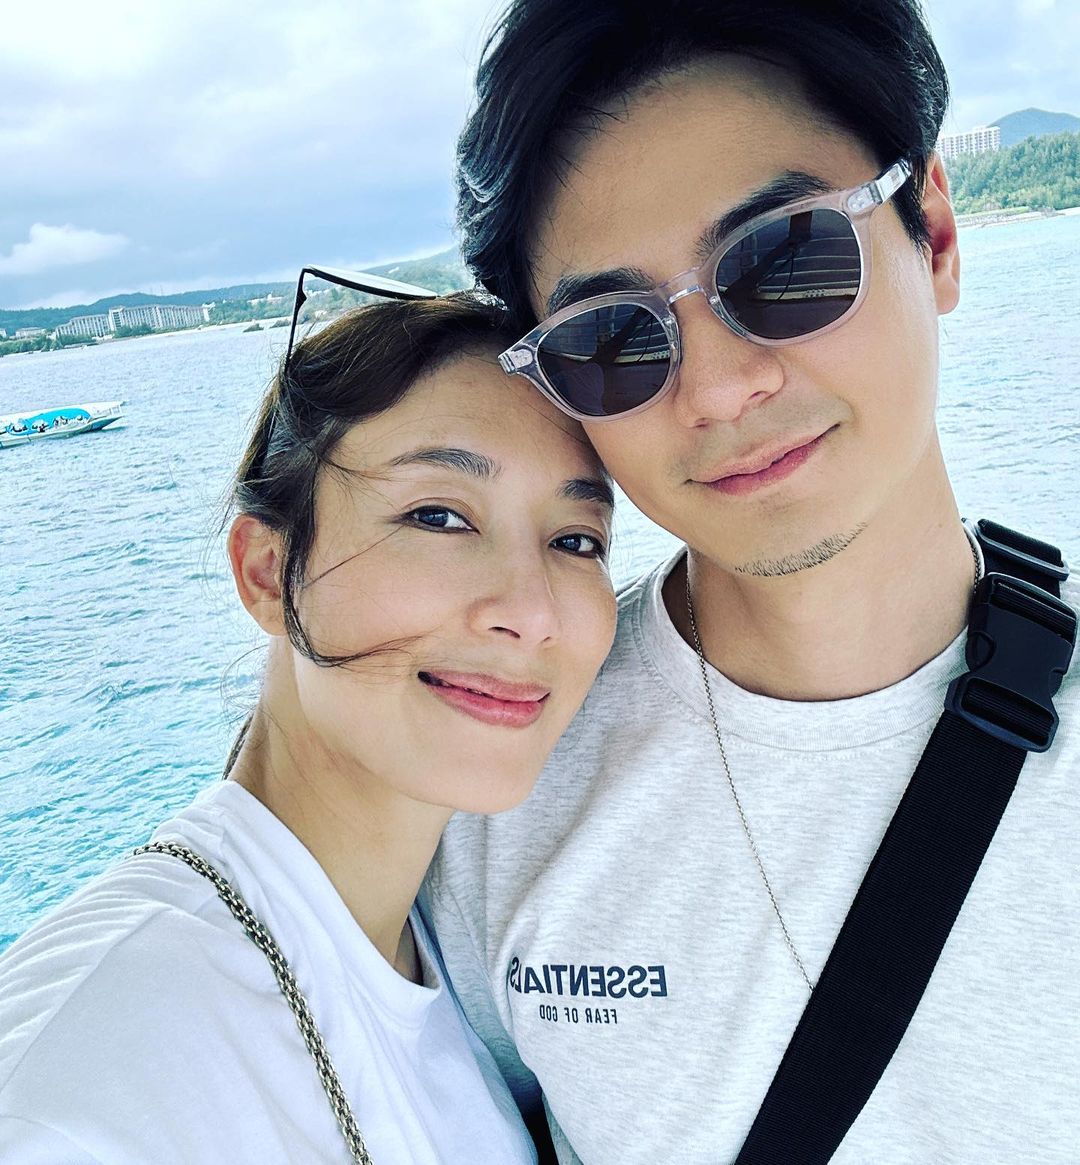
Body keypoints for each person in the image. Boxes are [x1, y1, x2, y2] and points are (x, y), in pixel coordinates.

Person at [424, 2, 1080, 1162]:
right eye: (612, 340)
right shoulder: (494, 797)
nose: (720, 388)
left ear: (934, 234)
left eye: (788, 261)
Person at [0, 293, 617, 1163]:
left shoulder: (454, 971)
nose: (533, 611)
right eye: (438, 516)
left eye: (577, 540)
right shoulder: (93, 1075)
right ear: (267, 572)